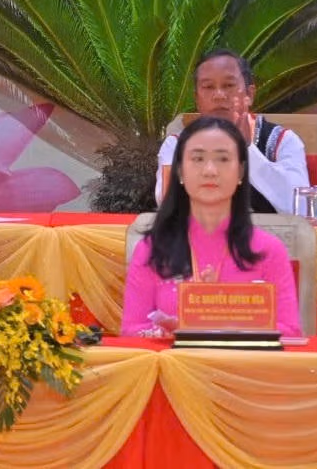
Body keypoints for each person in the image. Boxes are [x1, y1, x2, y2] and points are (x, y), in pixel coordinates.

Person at [123, 115, 302, 338]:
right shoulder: (152, 249)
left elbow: (290, 331)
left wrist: (222, 324)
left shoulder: (268, 250)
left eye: (223, 159)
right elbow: (131, 330)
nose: (210, 170)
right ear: (180, 171)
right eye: (197, 159)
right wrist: (168, 333)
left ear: (240, 172)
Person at [153, 50, 308, 214]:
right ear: (197, 99)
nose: (219, 95)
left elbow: (301, 207)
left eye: (228, 85)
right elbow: (168, 205)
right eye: (208, 87)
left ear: (249, 94)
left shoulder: (283, 141)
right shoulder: (176, 145)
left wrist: (246, 150)